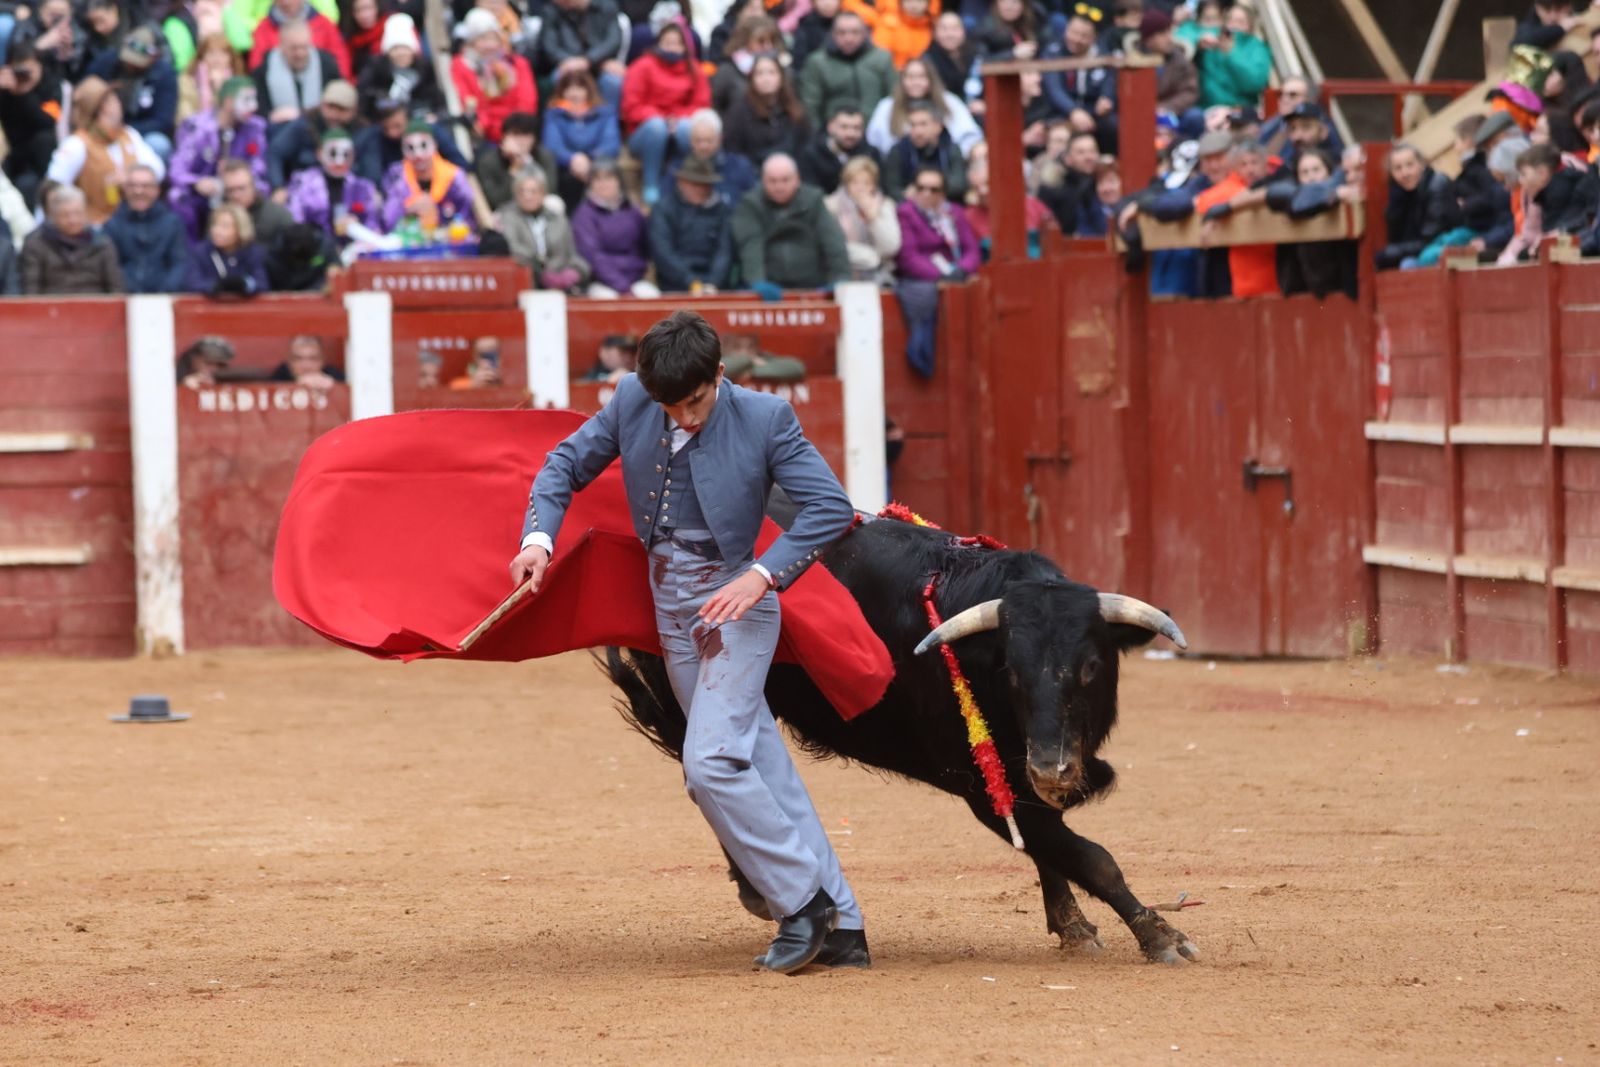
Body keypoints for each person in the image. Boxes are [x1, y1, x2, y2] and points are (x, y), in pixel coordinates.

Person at [510, 309, 867, 975]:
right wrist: (539, 539)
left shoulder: (766, 416)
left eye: (696, 400)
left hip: (737, 603)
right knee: (756, 760)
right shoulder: (631, 398)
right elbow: (563, 464)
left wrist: (761, 577)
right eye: (671, 404)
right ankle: (843, 923)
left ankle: (803, 902)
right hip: (671, 608)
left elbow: (830, 508)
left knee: (709, 763)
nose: (685, 416)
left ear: (720, 373)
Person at [46, 75, 165, 226]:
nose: (118, 103)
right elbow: (53, 188)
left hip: (133, 222)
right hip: (95, 227)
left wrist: (130, 177)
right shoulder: (76, 145)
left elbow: (158, 170)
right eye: (111, 100)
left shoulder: (128, 134)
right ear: (101, 110)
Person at [731, 153, 850, 296]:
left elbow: (832, 241)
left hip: (813, 285)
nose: (779, 186)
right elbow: (750, 245)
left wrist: (840, 278)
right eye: (772, 181)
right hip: (769, 287)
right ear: (763, 181)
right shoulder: (751, 205)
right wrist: (757, 281)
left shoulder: (813, 200)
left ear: (797, 179)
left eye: (785, 180)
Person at [168, 76, 269, 242]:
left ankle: (248, 247)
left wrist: (238, 173)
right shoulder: (196, 127)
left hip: (238, 185)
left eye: (254, 99)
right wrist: (197, 182)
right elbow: (177, 170)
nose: (254, 106)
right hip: (205, 190)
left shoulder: (255, 127)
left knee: (262, 190)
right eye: (247, 100)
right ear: (228, 102)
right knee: (177, 196)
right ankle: (192, 251)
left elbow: (259, 165)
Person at [620, 19, 708, 206]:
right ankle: (650, 183)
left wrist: (677, 119)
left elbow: (701, 105)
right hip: (645, 132)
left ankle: (686, 179)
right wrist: (661, 118)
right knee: (656, 127)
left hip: (679, 125)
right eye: (667, 42)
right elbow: (631, 106)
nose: (671, 47)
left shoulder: (694, 69)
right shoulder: (643, 66)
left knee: (688, 128)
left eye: (676, 43)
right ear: (658, 43)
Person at [85, 26, 178, 161]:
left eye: (137, 62)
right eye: (128, 60)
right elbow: (86, 92)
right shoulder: (106, 62)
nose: (131, 65)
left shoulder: (164, 75)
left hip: (140, 132)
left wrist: (126, 131)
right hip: (100, 127)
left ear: (154, 57)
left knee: (159, 144)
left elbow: (163, 120)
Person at [450, 7, 537, 145]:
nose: (490, 45)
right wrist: (499, 134)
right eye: (482, 39)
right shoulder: (462, 66)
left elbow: (526, 100)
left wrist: (516, 131)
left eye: (493, 38)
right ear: (471, 44)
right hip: (488, 137)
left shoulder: (517, 64)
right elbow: (471, 104)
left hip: (519, 132)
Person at [495, 167, 590, 291]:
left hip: (559, 283)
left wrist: (575, 271)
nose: (527, 196)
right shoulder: (507, 217)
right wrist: (541, 270)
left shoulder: (558, 219)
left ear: (543, 193)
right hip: (525, 282)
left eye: (533, 191)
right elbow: (512, 248)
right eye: (522, 191)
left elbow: (571, 254)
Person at [648, 153, 732, 292]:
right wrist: (691, 282)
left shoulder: (721, 209)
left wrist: (714, 282)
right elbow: (663, 252)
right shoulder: (663, 209)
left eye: (705, 184)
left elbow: (724, 250)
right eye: (695, 184)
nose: (701, 189)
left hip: (715, 288)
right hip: (675, 286)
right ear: (681, 182)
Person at [571, 159, 656, 297]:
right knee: (607, 300)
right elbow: (592, 256)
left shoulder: (632, 211)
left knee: (651, 296)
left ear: (619, 182)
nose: (603, 184)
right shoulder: (584, 214)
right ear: (590, 184)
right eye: (597, 179)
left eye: (609, 178)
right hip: (601, 283)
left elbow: (645, 247)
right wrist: (622, 286)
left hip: (635, 279)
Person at [867, 56, 980, 158]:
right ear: (902, 80)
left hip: (944, 164)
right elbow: (875, 142)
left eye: (921, 77)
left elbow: (969, 136)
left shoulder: (949, 102)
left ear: (931, 80)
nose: (916, 82)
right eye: (910, 77)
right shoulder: (887, 106)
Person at [20, 185, 124, 293]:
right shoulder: (36, 244)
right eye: (65, 215)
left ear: (86, 213)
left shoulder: (103, 244)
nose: (72, 220)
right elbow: (31, 290)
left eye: (78, 213)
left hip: (95, 305)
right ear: (53, 216)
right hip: (51, 306)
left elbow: (116, 289)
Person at [798, 12, 897, 125]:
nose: (849, 38)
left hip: (875, 130)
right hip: (832, 133)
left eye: (855, 32)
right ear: (832, 34)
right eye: (842, 32)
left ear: (865, 33)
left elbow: (894, 99)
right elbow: (810, 105)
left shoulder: (882, 58)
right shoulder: (818, 62)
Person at [284, 126, 382, 240]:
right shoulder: (302, 183)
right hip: (314, 248)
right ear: (319, 154)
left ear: (353, 155)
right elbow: (295, 223)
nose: (339, 162)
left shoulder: (364, 188)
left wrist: (357, 228)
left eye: (345, 154)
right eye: (332, 154)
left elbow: (375, 228)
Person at [542, 68, 621, 209]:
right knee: (568, 180)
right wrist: (572, 158)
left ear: (588, 91)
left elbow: (611, 143)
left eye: (579, 88)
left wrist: (590, 159)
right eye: (569, 88)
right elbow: (552, 145)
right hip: (568, 167)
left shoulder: (604, 112)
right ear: (562, 92)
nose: (574, 93)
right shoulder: (553, 114)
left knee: (606, 174)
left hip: (597, 162)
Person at [103, 163, 189, 292]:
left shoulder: (172, 223)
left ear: (157, 190)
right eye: (132, 186)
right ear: (125, 189)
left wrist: (164, 294)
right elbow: (110, 267)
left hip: (164, 300)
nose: (138, 191)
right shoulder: (112, 225)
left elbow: (179, 264)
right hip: (125, 298)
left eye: (145, 186)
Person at [1041, 11, 1118, 154]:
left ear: (1094, 37)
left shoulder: (1103, 55)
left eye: (1084, 36)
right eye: (1073, 32)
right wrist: (1073, 111)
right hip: (1060, 113)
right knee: (1059, 136)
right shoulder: (1053, 52)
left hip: (1094, 113)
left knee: (1115, 126)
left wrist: (1106, 97)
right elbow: (1054, 89)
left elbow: (1110, 79)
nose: (1076, 39)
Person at [380, 119, 475, 235]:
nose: (418, 155)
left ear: (434, 145)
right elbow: (387, 221)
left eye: (424, 146)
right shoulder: (395, 176)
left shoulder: (454, 177)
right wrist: (407, 208)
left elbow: (469, 219)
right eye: (410, 148)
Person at [1376, 142, 1461, 270]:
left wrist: (1395, 252)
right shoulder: (1401, 193)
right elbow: (1396, 236)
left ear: (1422, 165)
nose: (1405, 173)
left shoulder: (1437, 185)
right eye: (1397, 168)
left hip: (1447, 249)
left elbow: (1431, 237)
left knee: (1407, 265)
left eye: (1410, 165)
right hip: (1423, 250)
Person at [0, 39, 64, 208]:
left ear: (39, 66)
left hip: (42, 154)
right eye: (19, 71)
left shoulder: (51, 85)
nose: (24, 76)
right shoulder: (5, 88)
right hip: (13, 151)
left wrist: (23, 94)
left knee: (43, 140)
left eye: (28, 70)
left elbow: (48, 121)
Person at [1175, 0, 1270, 111]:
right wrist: (1197, 41)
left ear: (1250, 26)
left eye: (1240, 22)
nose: (1234, 25)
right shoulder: (1215, 36)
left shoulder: (1257, 48)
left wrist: (1232, 54)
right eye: (1230, 20)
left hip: (1241, 109)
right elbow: (1186, 33)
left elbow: (1255, 83)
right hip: (1207, 109)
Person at [266, 79, 359, 190]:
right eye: (330, 107)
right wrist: (278, 186)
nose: (334, 115)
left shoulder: (361, 130)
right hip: (305, 190)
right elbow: (275, 152)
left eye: (341, 109)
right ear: (321, 105)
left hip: (348, 189)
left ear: (353, 111)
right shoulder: (305, 124)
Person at [723, 53, 811, 167]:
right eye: (759, 73)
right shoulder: (738, 112)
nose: (766, 78)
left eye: (772, 72)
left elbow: (805, 146)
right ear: (752, 79)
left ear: (781, 76)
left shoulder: (795, 110)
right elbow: (734, 151)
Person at [252, 21, 342, 132]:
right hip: (279, 130)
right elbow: (258, 110)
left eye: (304, 47)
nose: (300, 53)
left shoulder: (326, 64)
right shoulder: (264, 70)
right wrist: (271, 116)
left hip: (320, 130)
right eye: (294, 48)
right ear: (282, 46)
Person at [357, 97, 469, 185]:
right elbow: (374, 178)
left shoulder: (428, 132)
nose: (392, 133)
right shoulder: (377, 140)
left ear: (409, 120)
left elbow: (460, 164)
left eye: (397, 126)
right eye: (386, 128)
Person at [356, 13, 445, 122]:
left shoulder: (424, 70)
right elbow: (367, 101)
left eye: (405, 48)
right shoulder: (376, 70)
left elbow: (435, 99)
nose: (401, 53)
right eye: (395, 48)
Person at [825, 154, 900, 282]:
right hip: (841, 273)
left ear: (874, 185)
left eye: (866, 182)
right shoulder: (830, 205)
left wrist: (874, 219)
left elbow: (890, 247)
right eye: (855, 182)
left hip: (880, 276)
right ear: (846, 184)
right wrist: (870, 256)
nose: (861, 188)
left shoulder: (885, 205)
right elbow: (831, 246)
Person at [536, 0, 626, 103]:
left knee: (614, 82)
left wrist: (589, 60)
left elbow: (613, 40)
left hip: (599, 63)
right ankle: (562, 118)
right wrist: (572, 61)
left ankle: (608, 118)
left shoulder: (606, 5)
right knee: (559, 78)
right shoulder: (551, 10)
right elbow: (549, 47)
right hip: (567, 63)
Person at [883, 99, 967, 202]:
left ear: (938, 126)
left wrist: (924, 189)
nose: (918, 131)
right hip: (909, 210)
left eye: (923, 124)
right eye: (913, 125)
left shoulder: (951, 148)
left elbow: (959, 184)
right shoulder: (898, 151)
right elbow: (892, 189)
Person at [667, 109, 756, 205]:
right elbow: (666, 202)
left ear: (719, 139)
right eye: (698, 140)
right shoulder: (678, 168)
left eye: (709, 140)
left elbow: (752, 201)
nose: (704, 146)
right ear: (691, 141)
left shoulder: (739, 166)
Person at [1133, 10, 1199, 137]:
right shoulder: (1134, 60)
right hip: (1141, 113)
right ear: (1148, 39)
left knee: (1195, 116)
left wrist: (1167, 107)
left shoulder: (1179, 59)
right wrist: (1149, 109)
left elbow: (1190, 91)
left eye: (1169, 31)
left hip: (1173, 111)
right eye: (1163, 33)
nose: (1169, 38)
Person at [248, 0, 351, 78]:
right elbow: (256, 66)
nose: (285, 3)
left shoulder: (324, 25)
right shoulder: (264, 28)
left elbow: (341, 62)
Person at [187, 200, 270, 294]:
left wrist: (244, 284)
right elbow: (193, 283)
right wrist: (216, 286)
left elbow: (262, 284)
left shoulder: (252, 252)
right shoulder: (201, 251)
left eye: (225, 226)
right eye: (215, 225)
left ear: (240, 229)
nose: (216, 231)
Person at [797, 103, 879, 195]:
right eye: (844, 127)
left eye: (856, 128)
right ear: (830, 127)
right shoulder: (812, 155)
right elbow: (810, 193)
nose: (851, 133)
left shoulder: (870, 153)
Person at [709, 13, 782, 113]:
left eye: (772, 41)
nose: (768, 47)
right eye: (761, 41)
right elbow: (715, 107)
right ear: (745, 41)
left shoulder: (782, 70)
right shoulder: (727, 71)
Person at [221, 156, 295, 249]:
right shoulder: (220, 218)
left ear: (253, 186)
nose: (236, 195)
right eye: (230, 190)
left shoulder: (278, 216)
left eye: (241, 188)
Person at [843, 0, 933, 70]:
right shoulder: (889, 25)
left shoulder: (932, 29)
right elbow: (879, 58)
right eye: (909, 1)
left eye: (919, 1)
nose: (914, 6)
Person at [177, 32, 243, 124]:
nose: (217, 60)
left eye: (223, 54)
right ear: (201, 57)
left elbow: (240, 118)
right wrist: (204, 86)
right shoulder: (186, 82)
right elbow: (185, 117)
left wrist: (221, 89)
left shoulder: (240, 83)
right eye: (211, 54)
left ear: (231, 58)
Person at [922, 11, 979, 114]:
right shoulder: (926, 61)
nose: (950, 34)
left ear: (963, 32)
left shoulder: (975, 55)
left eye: (955, 29)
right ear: (934, 33)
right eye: (944, 29)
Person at [270, 333, 344, 387]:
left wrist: (333, 387)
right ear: (289, 361)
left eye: (313, 358)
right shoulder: (278, 377)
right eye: (298, 358)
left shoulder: (335, 375)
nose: (306, 366)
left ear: (323, 360)